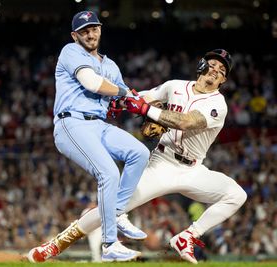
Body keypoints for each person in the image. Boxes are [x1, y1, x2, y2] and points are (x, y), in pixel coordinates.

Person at [28, 49, 247, 264]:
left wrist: (145, 110)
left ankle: (188, 236)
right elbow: (143, 97)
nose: (215, 70)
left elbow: (185, 122)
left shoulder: (218, 104)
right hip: (162, 163)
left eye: (221, 70)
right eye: (212, 64)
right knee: (113, 206)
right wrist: (122, 103)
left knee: (236, 195)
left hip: (193, 169)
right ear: (201, 65)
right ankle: (55, 245)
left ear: (223, 81)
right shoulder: (175, 86)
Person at [27, 10, 151, 262]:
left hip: (99, 125)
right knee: (108, 173)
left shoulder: (111, 65)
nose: (90, 33)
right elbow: (93, 84)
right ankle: (109, 244)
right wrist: (125, 94)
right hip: (71, 123)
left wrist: (141, 105)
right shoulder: (70, 51)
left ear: (100, 30)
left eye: (94, 28)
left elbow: (126, 98)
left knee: (139, 153)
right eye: (84, 30)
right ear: (75, 35)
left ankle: (116, 212)